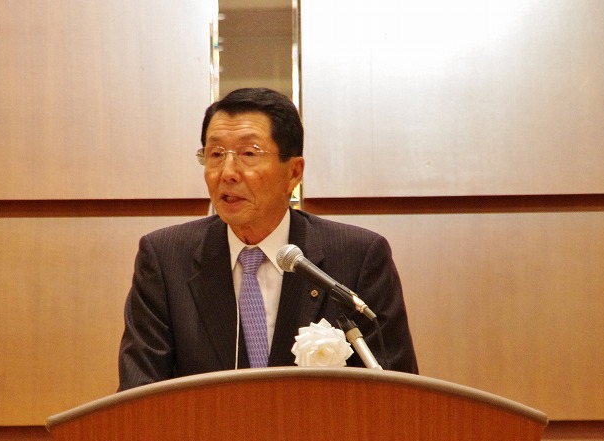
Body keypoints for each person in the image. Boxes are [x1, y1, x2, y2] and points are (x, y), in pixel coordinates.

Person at [118, 87, 417, 391]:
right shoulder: (165, 259)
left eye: (249, 154)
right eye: (216, 154)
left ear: (294, 173)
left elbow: (396, 397)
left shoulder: (358, 257)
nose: (227, 172)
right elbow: (139, 394)